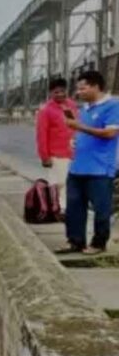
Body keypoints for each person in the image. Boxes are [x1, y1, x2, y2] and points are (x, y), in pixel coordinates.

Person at [59, 71, 119, 255]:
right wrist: (75, 139)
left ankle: (98, 243)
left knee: (102, 209)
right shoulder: (85, 109)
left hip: (100, 168)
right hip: (78, 166)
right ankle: (75, 241)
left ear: (95, 86)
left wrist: (78, 126)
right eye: (77, 88)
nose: (79, 92)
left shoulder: (113, 106)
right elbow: (84, 132)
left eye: (82, 88)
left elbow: (110, 133)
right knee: (74, 206)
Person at [36, 78, 78, 212]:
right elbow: (41, 135)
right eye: (56, 92)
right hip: (56, 154)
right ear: (50, 93)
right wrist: (44, 157)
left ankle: (67, 208)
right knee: (60, 183)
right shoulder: (45, 110)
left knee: (72, 182)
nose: (60, 94)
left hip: (73, 152)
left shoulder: (71, 105)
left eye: (62, 91)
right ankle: (61, 209)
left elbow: (77, 125)